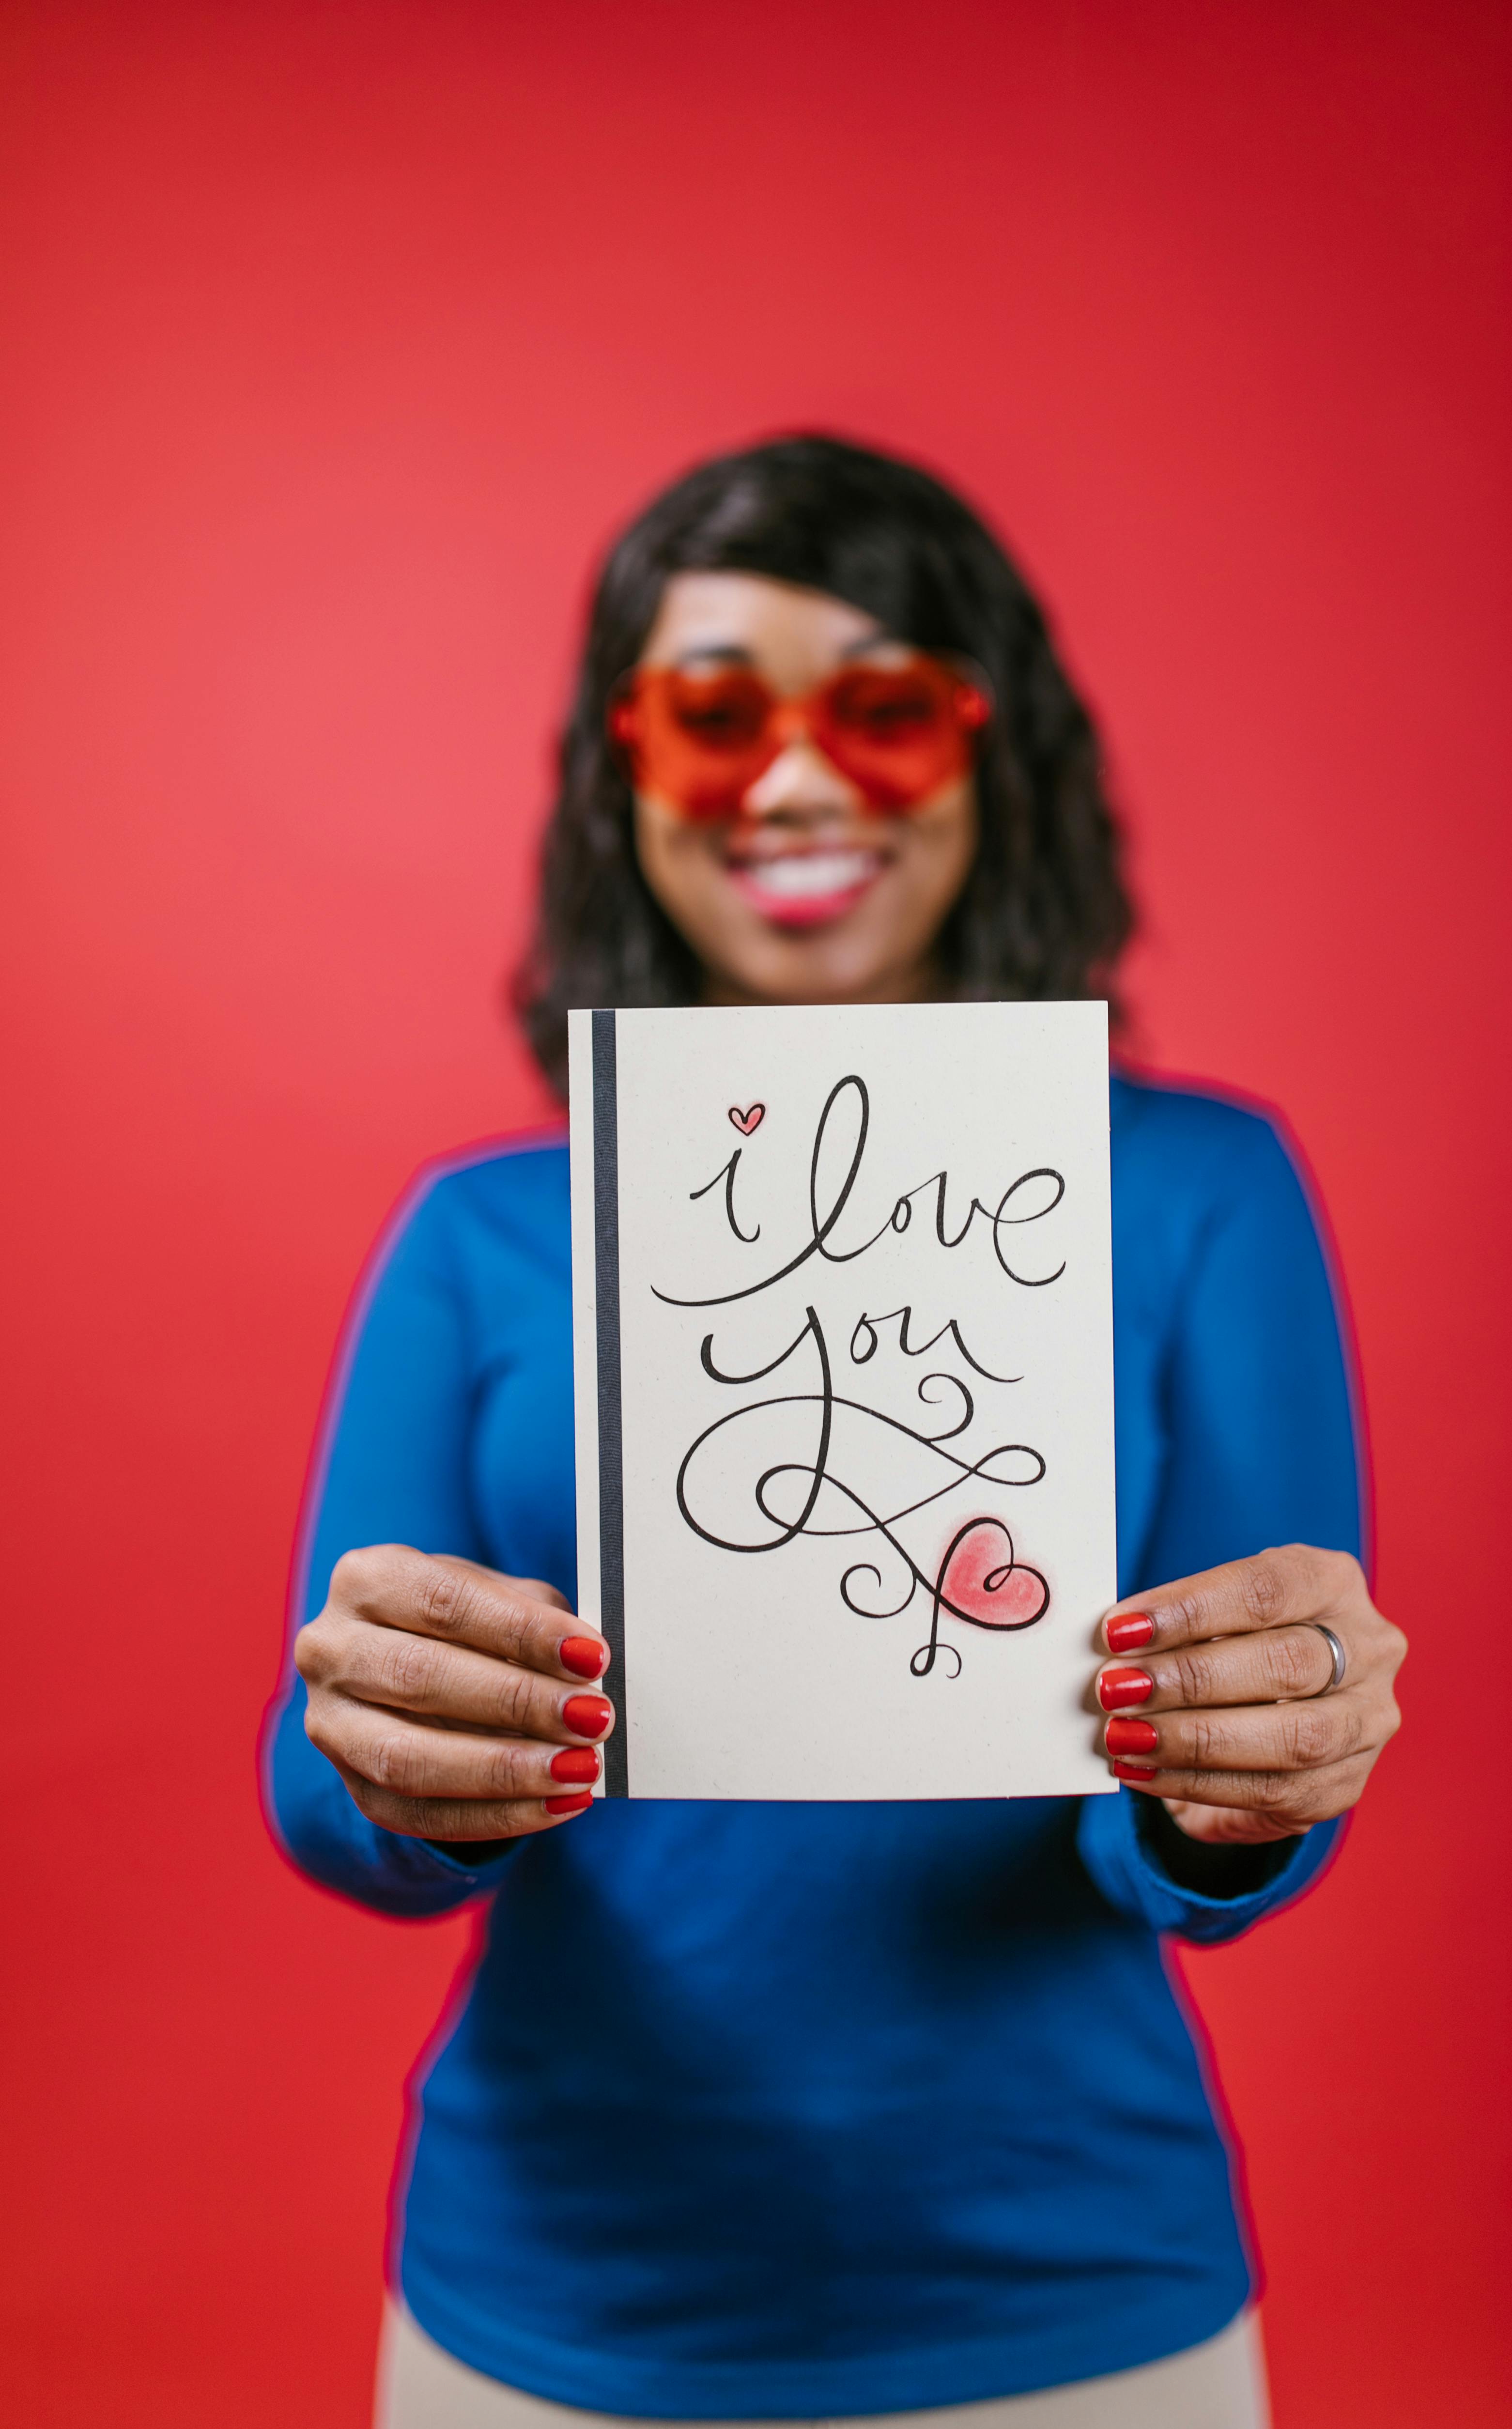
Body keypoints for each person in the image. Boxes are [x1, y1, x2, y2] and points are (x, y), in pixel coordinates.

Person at [266, 436, 1406, 2429]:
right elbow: (323, 1794)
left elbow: (1228, 1848)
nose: (793, 785)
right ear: (625, 779)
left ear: (993, 753)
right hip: (552, 2294)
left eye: (879, 712)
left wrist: (1248, 1770)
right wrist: (395, 1755)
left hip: (1073, 2299)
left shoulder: (1205, 1191)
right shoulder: (479, 1234)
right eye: (714, 721)